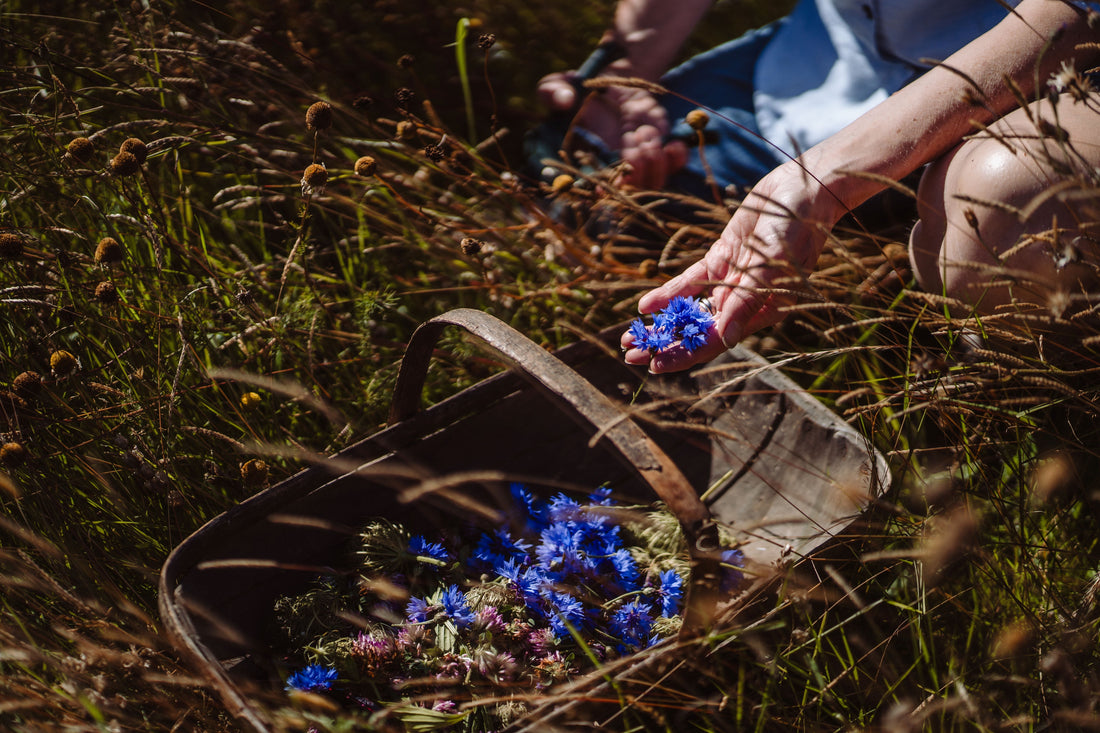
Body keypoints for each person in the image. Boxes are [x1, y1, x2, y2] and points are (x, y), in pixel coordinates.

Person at [538, 0, 1100, 373]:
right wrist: (621, 75)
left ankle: (1037, 412)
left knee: (1009, 215)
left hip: (1050, 72)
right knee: (585, 183)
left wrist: (824, 179)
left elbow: (1076, 14)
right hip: (823, 65)